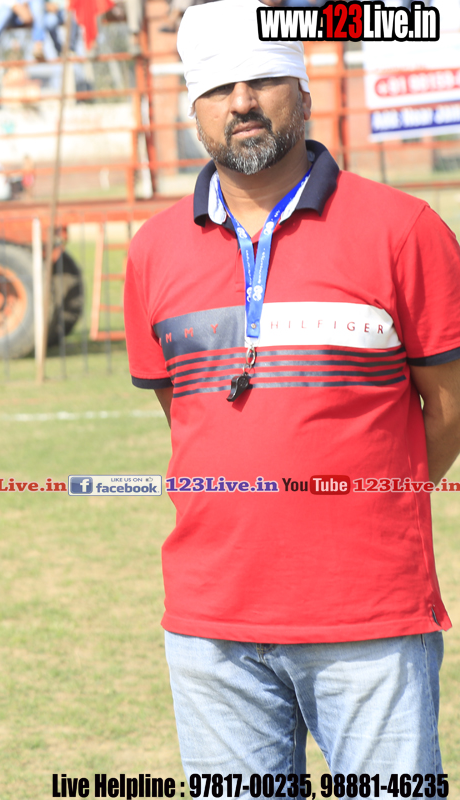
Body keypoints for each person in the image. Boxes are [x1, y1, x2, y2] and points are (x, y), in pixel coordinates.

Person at [123, 0, 460, 779]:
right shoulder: (152, 250)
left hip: (371, 617)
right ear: (194, 108)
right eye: (218, 88)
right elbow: (186, 414)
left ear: (303, 91)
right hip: (211, 627)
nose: (241, 102)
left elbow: (448, 409)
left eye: (262, 81)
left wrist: (370, 499)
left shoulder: (405, 229)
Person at [0, 0, 64, 65]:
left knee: (51, 19)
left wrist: (43, 6)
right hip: (12, 12)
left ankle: (43, 48)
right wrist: (16, 6)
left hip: (32, 13)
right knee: (4, 14)